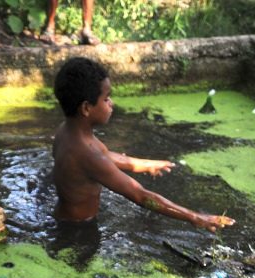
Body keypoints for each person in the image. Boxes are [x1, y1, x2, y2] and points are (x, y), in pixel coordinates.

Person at [52, 57, 235, 232]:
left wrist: (145, 165)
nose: (111, 104)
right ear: (86, 108)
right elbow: (141, 196)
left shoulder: (67, 131)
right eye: (106, 99)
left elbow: (104, 155)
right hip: (78, 230)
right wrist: (194, 217)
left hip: (63, 217)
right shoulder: (88, 154)